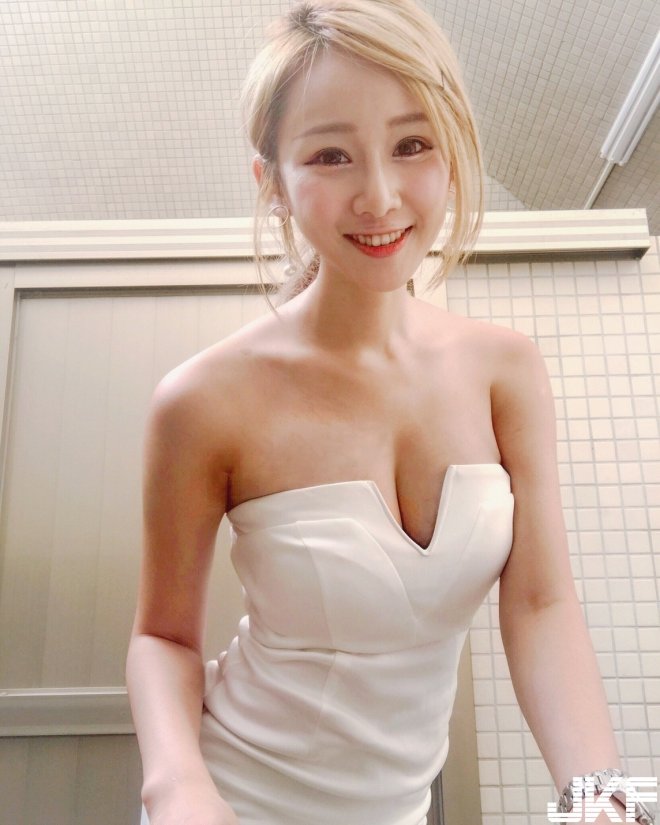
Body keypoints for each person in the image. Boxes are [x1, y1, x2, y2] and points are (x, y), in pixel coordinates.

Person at [126, 2, 651, 824]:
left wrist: (600, 796)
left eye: (412, 144)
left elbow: (542, 602)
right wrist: (177, 786)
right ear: (272, 182)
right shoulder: (201, 401)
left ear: (453, 153)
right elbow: (162, 636)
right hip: (228, 796)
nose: (378, 196)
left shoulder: (506, 371)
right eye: (330, 155)